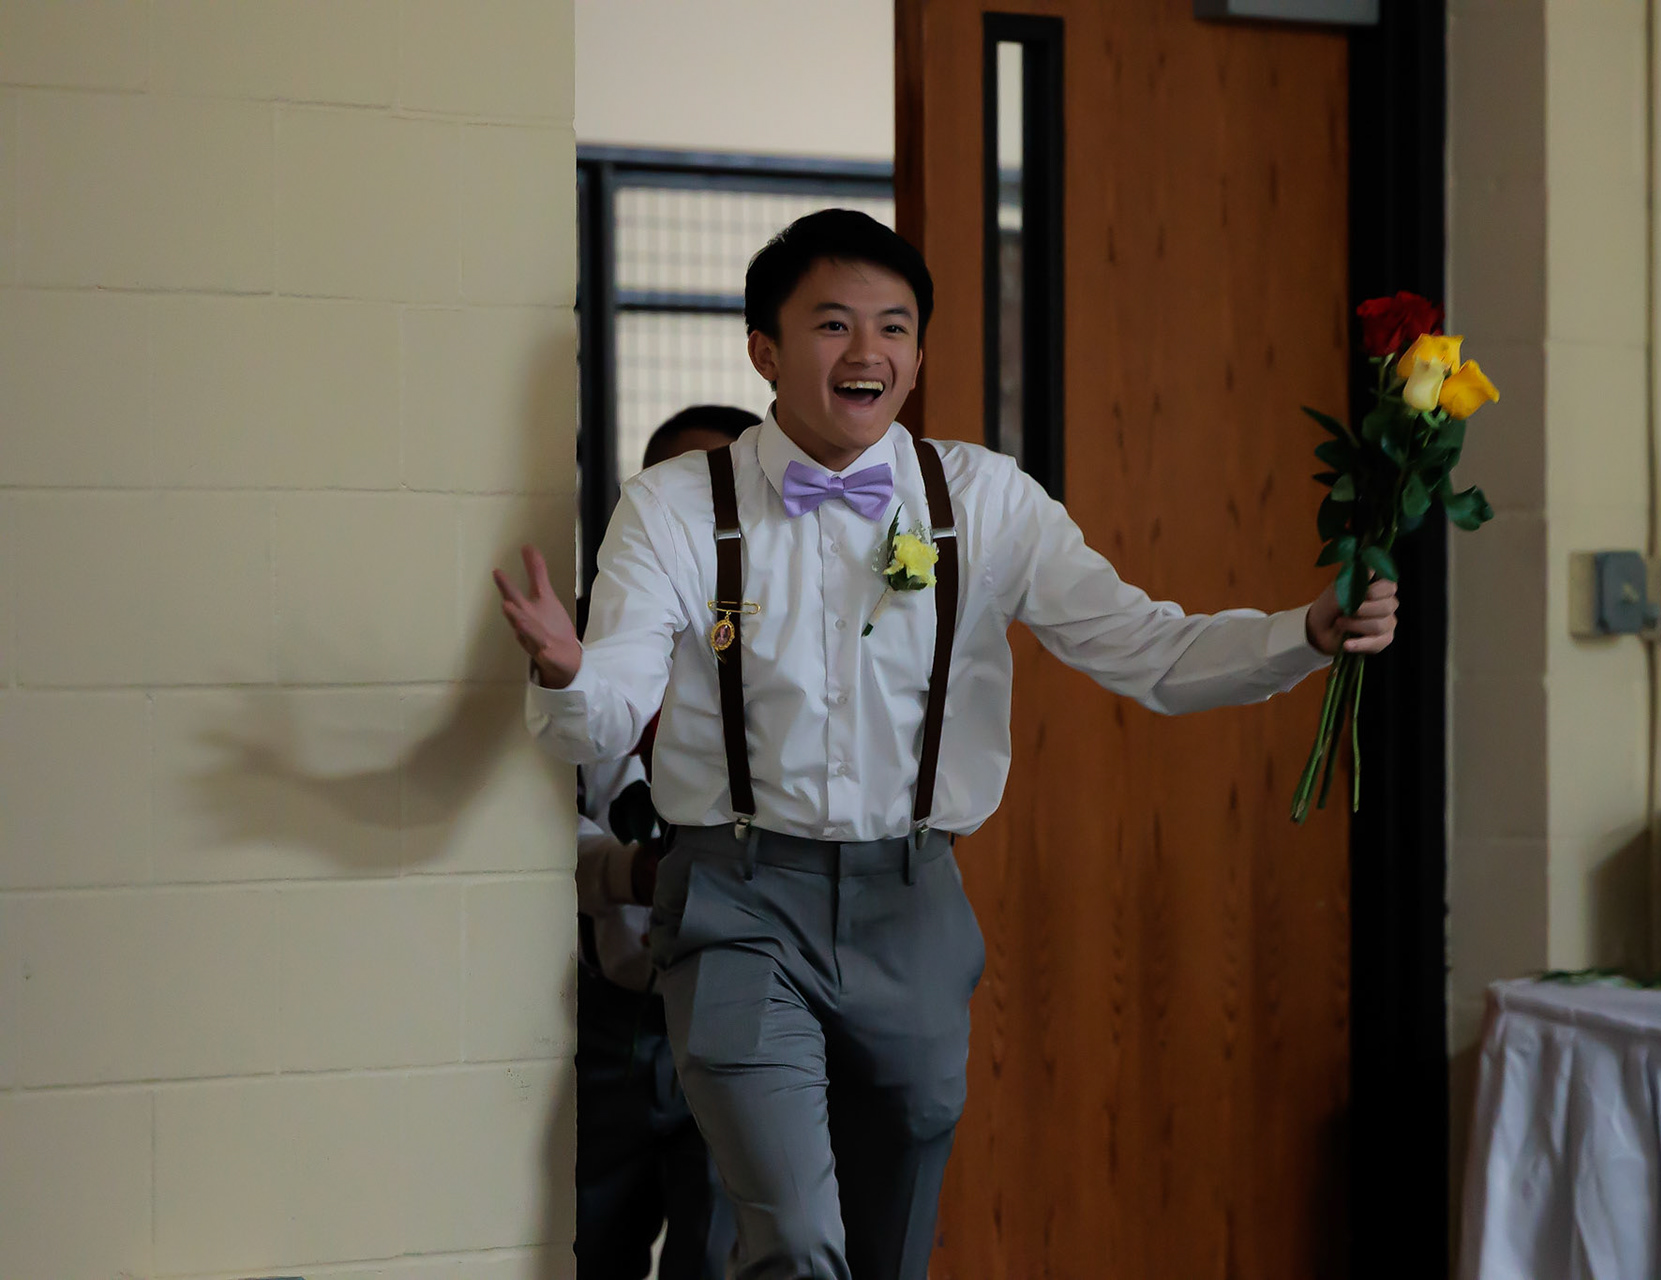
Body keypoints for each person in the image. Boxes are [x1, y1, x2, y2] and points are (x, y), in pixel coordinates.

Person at [496, 209, 1399, 1280]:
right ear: (765, 351)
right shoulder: (674, 507)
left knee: (892, 1245)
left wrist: (1303, 634)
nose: (867, 350)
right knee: (793, 1238)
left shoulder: (985, 499)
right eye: (833, 323)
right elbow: (613, 707)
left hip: (913, 902)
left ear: (919, 356)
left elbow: (1143, 646)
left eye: (894, 326)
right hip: (737, 903)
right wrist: (569, 670)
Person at [573, 406, 757, 1280]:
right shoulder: (589, 657)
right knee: (588, 1243)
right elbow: (522, 843)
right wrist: (628, 871)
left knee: (722, 1254)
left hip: (742, 1009)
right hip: (607, 1017)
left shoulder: (789, 663)